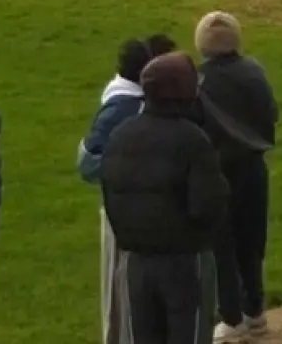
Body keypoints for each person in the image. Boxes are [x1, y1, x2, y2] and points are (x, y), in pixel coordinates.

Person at [102, 53, 227, 344]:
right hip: (185, 260)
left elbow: (110, 197)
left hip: (136, 261)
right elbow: (207, 205)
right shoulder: (192, 140)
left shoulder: (120, 135)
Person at [81, 35, 179, 343]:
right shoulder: (122, 107)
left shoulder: (129, 102)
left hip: (140, 214)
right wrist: (130, 175)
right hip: (124, 215)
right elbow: (88, 163)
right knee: (125, 294)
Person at [193, 12, 277, 343]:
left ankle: (231, 316)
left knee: (223, 245)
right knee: (252, 241)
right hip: (254, 166)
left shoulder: (199, 82)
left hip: (218, 171)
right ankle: (254, 309)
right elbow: (271, 113)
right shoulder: (254, 72)